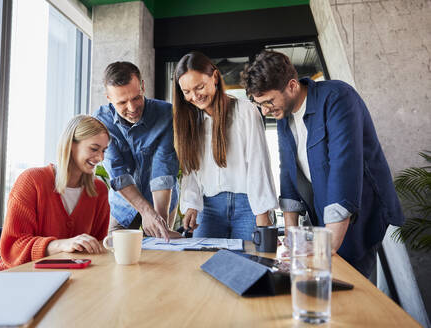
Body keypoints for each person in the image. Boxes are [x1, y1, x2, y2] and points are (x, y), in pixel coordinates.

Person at [241, 50, 404, 277]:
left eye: (269, 101)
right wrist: (291, 242)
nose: (265, 110)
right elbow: (288, 172)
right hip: (322, 214)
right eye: (260, 104)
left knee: (352, 288)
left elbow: (344, 169)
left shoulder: (338, 98)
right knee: (325, 286)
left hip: (358, 213)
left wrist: (328, 246)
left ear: (292, 86)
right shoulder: (283, 116)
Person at [173, 51, 278, 240]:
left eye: (199, 87)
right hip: (208, 207)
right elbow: (191, 169)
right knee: (202, 266)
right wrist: (191, 204)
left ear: (214, 77)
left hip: (248, 205)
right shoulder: (189, 121)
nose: (195, 97)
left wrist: (263, 214)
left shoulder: (246, 111)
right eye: (186, 92)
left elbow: (258, 164)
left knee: (250, 266)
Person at [0, 115, 111, 271]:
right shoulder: (31, 181)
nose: (100, 157)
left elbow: (96, 249)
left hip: (69, 280)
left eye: (104, 151)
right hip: (18, 278)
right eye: (94, 149)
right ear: (70, 145)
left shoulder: (99, 191)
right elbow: (13, 248)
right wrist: (62, 244)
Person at [94, 61, 180, 240]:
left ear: (142, 86)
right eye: (122, 102)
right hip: (123, 205)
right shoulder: (102, 120)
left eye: (136, 98)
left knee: (161, 255)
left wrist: (159, 219)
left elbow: (162, 169)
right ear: (109, 98)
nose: (132, 109)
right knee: (116, 258)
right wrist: (145, 212)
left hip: (162, 202)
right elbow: (118, 173)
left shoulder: (166, 114)